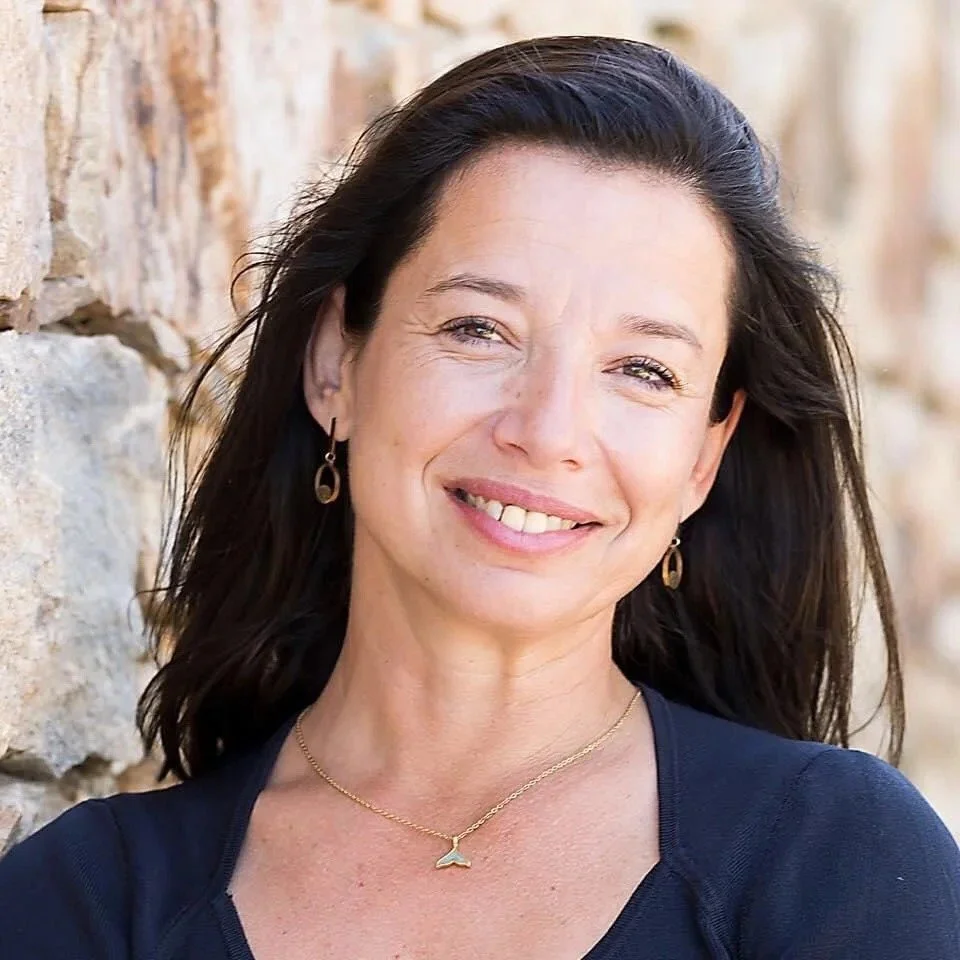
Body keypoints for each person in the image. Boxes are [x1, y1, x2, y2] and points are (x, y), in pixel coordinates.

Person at [1, 34, 958, 960]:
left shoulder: (833, 865)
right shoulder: (91, 900)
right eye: (478, 328)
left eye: (642, 369)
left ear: (706, 456)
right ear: (336, 361)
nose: (545, 429)